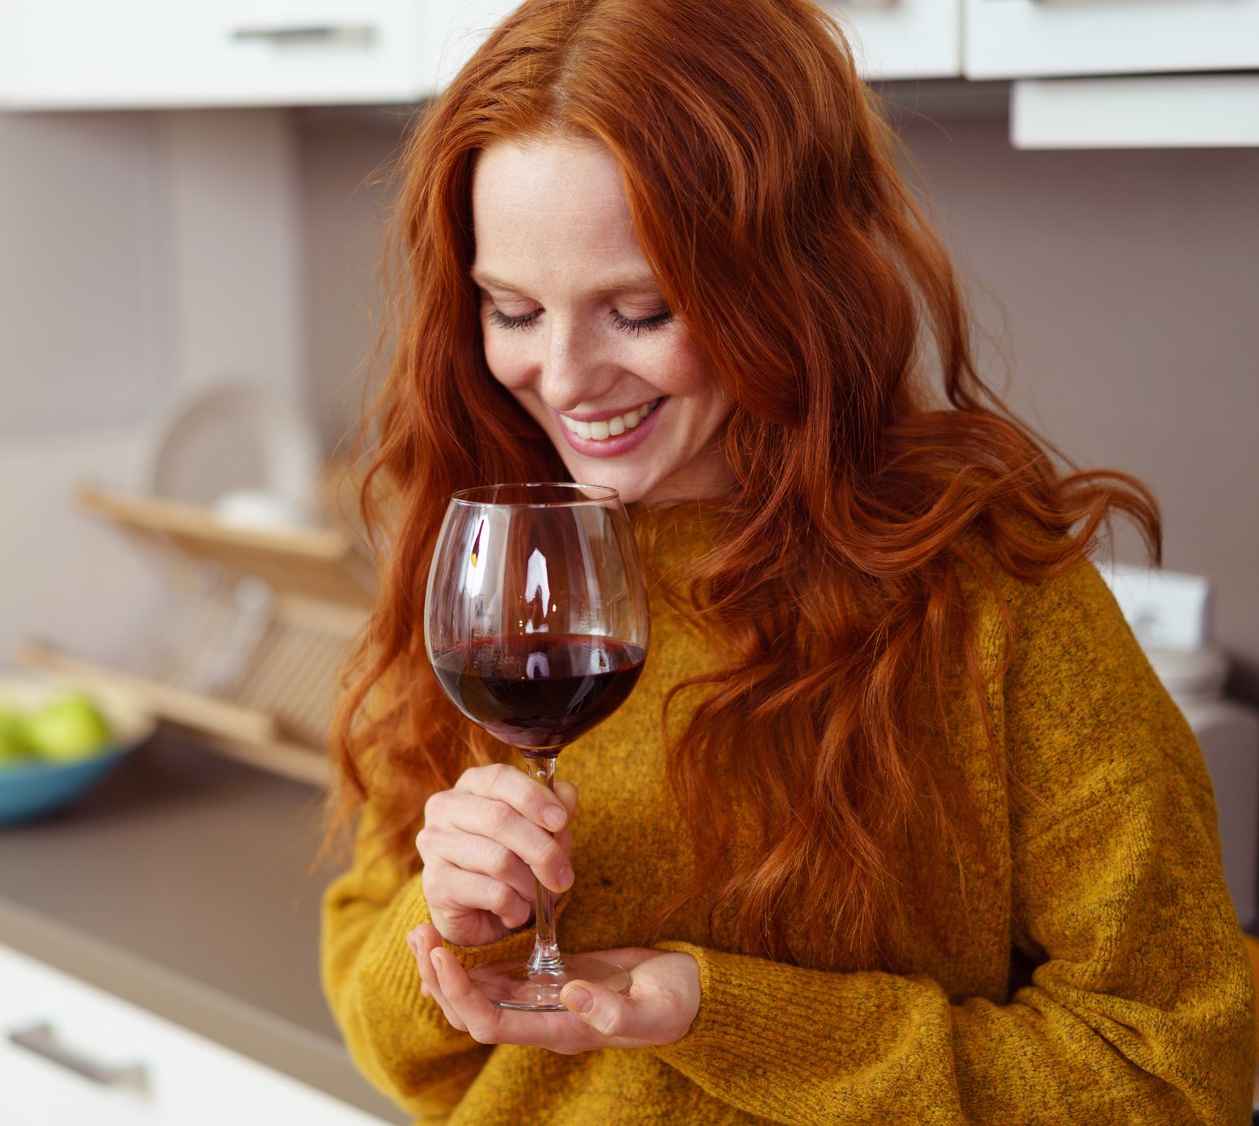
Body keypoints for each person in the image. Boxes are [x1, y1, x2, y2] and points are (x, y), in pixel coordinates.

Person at [320, 0, 1256, 1120]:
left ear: (783, 282)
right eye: (511, 309)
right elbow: (385, 1031)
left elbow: (1174, 1067)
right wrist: (449, 924)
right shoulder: (484, 558)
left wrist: (722, 1014)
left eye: (638, 310)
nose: (562, 378)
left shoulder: (987, 599)